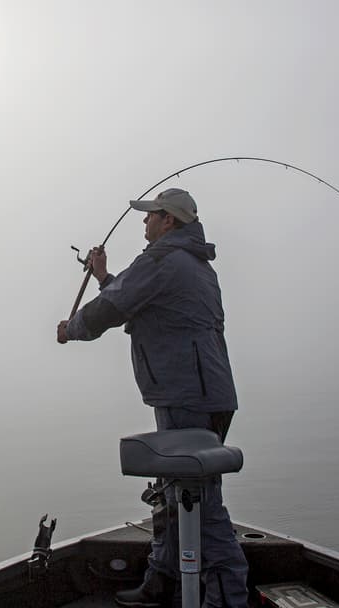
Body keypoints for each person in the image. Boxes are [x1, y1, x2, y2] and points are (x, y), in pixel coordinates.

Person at [56, 188, 249, 607]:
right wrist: (105, 276)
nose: (144, 222)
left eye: (150, 215)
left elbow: (112, 308)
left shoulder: (162, 260)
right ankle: (161, 582)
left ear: (169, 220)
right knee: (173, 493)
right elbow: (135, 299)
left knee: (200, 503)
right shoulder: (192, 264)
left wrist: (70, 329)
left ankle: (227, 599)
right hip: (204, 391)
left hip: (186, 395)